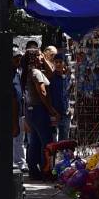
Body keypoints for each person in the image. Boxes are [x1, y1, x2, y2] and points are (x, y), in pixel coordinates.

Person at [23, 50, 58, 180]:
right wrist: (51, 109)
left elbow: (51, 73)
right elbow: (42, 92)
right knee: (47, 142)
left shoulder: (29, 72)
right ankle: (46, 170)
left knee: (35, 141)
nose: (41, 57)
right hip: (39, 110)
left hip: (31, 111)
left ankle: (33, 169)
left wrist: (44, 60)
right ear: (33, 58)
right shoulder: (36, 73)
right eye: (38, 55)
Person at [48, 53, 72, 142]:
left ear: (64, 63)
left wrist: (69, 108)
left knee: (64, 142)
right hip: (54, 115)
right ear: (53, 63)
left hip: (65, 114)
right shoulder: (50, 78)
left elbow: (67, 94)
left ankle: (62, 156)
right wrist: (53, 112)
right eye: (56, 62)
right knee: (53, 143)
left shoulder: (67, 77)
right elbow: (47, 97)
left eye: (60, 62)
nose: (58, 64)